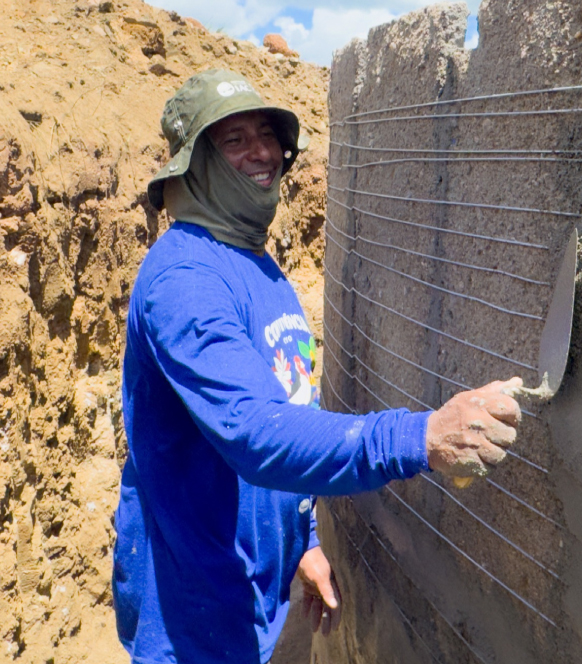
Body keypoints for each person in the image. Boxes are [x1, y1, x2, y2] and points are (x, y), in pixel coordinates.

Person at [112, 68, 522, 663]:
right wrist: (422, 436)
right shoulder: (186, 280)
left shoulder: (255, 263)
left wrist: (299, 539)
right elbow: (257, 431)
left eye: (266, 134)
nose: (262, 153)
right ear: (194, 164)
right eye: (232, 141)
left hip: (253, 598)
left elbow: (288, 401)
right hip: (193, 617)